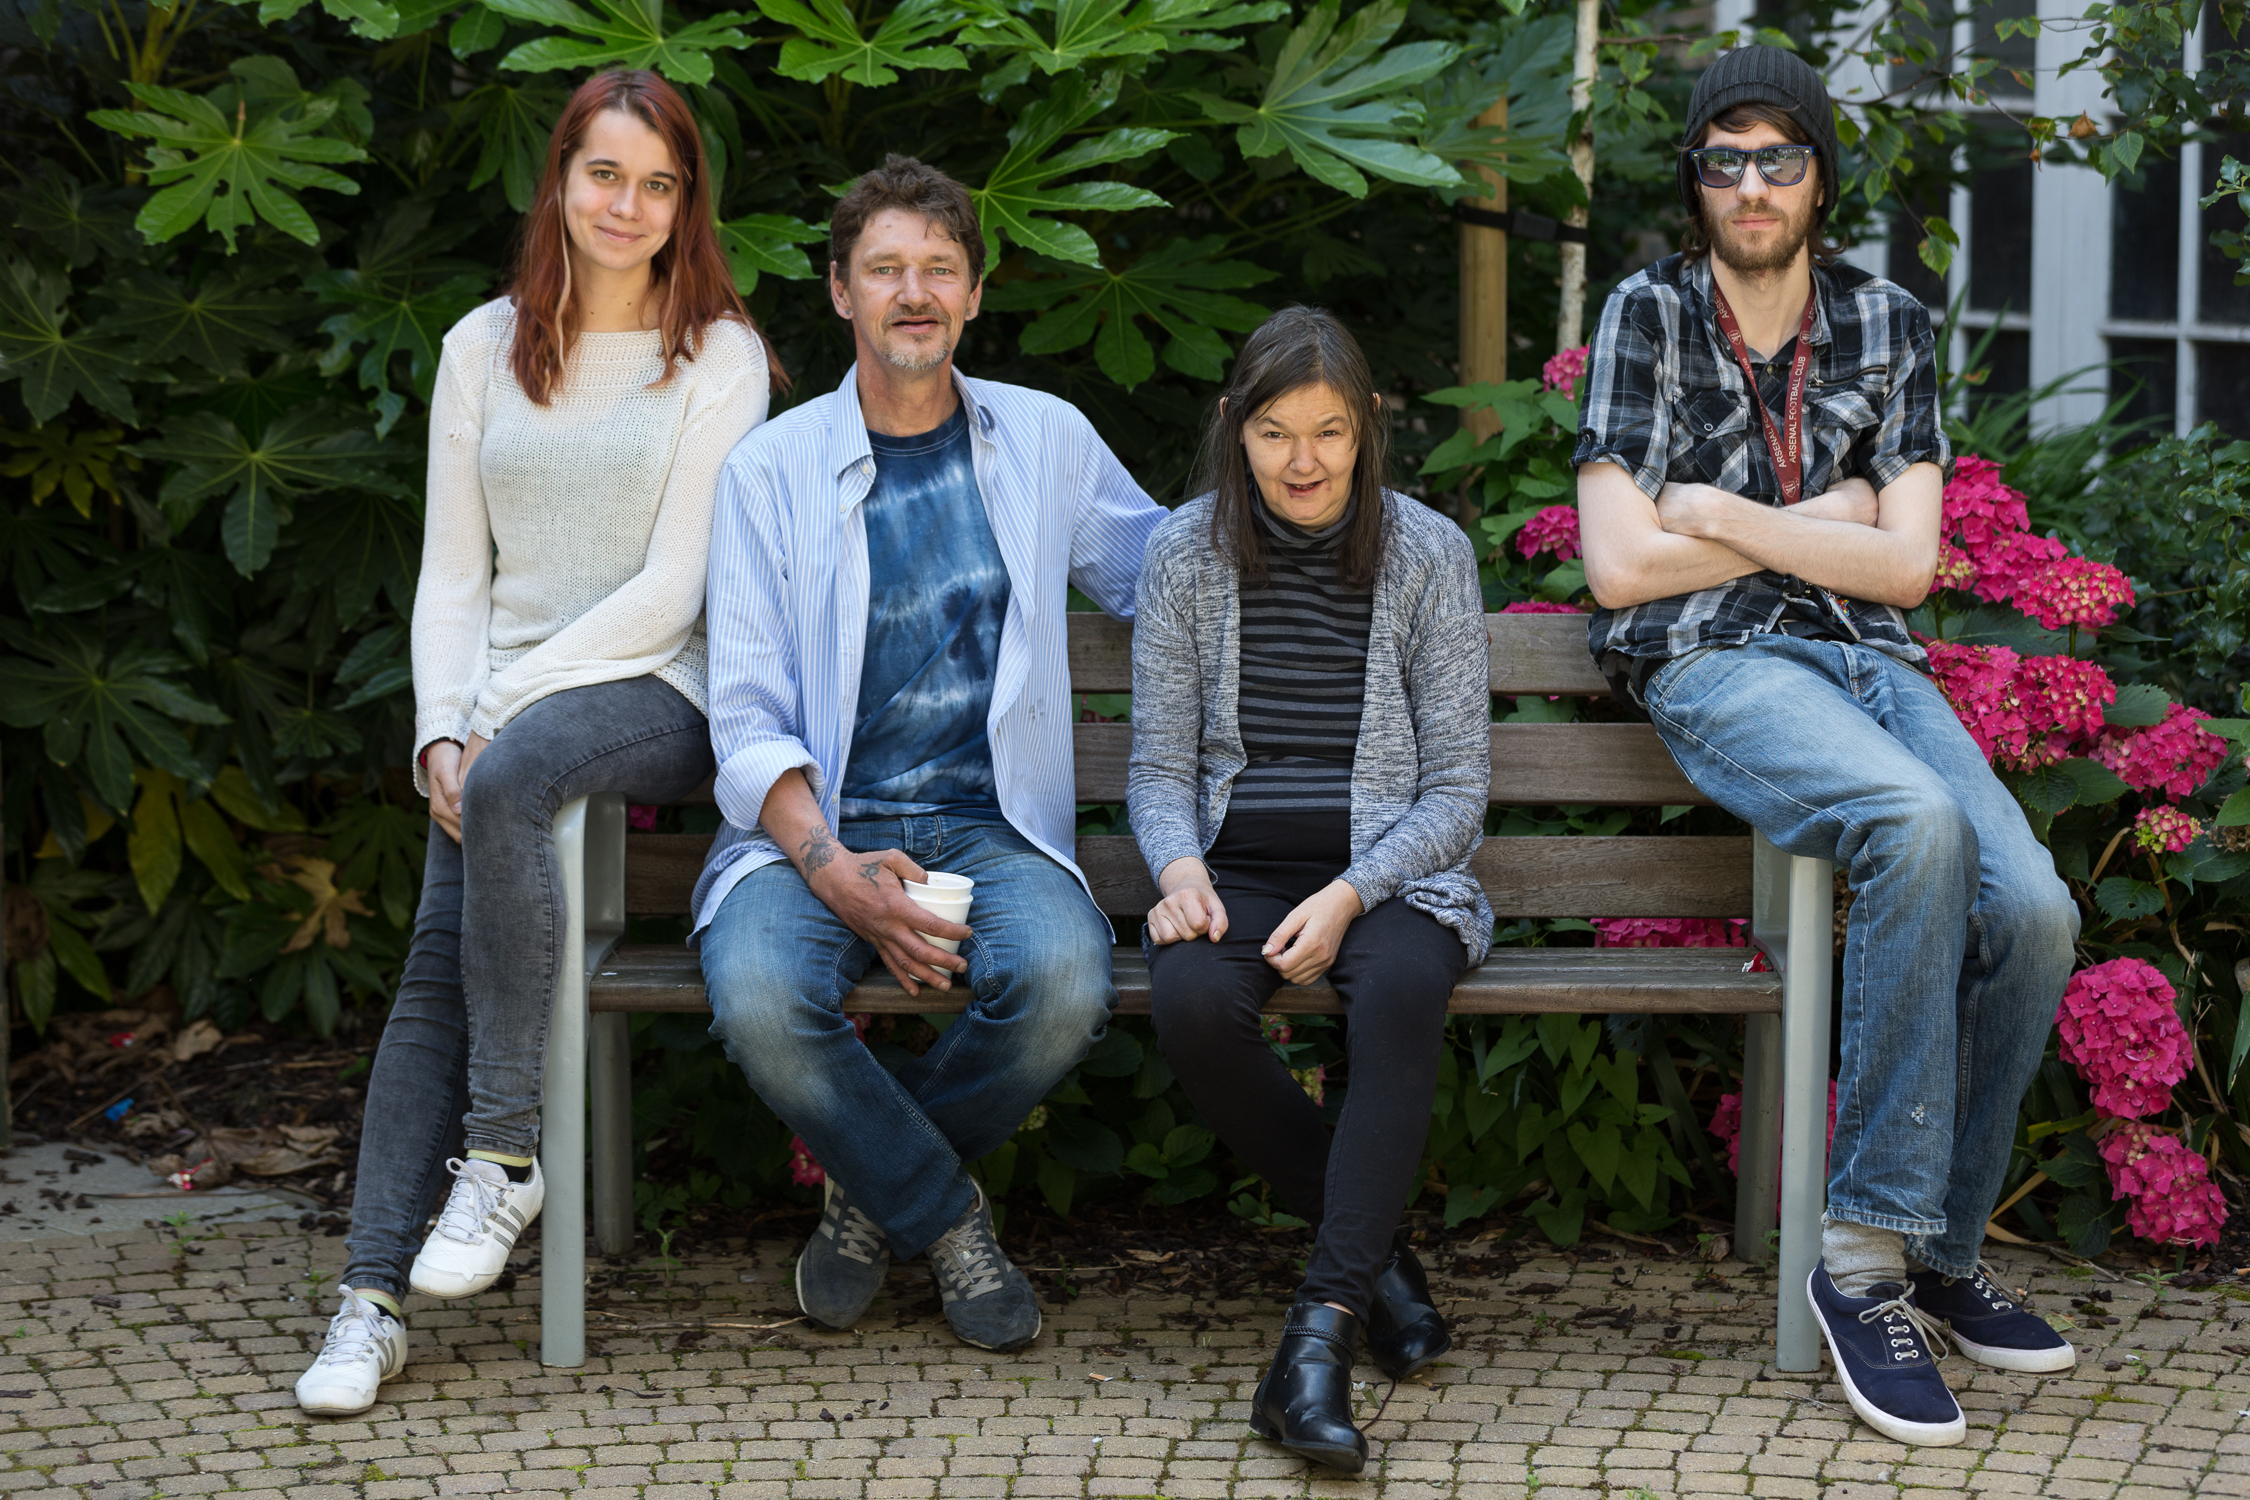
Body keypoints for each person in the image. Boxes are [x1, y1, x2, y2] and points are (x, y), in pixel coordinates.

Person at [1572, 46, 2080, 1449]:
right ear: (1694, 178)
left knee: (2032, 908)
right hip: (1714, 659)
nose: (1749, 184)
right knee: (1909, 823)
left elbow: (1908, 569)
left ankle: (1938, 1251)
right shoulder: (1645, 313)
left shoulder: (1889, 323)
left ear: (1816, 174)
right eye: (1722, 158)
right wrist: (1831, 519)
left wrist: (1723, 516)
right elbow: (1617, 570)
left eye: (1775, 156)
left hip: (1869, 657)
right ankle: (1859, 1266)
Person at [293, 69, 779, 1416]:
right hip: (506, 717)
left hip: (657, 693)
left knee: (514, 776)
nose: (627, 205)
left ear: (687, 206)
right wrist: (439, 727)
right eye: (604, 175)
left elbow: (673, 589)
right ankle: (369, 1299)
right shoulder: (479, 346)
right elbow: (453, 577)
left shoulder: (719, 357)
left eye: (657, 184)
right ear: (558, 181)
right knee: (438, 963)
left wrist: (498, 716)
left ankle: (502, 1156)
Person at [692, 155, 1167, 1354]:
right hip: (820, 822)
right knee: (758, 993)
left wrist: (1317, 498)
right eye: (887, 269)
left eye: (939, 271)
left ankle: (867, 1202)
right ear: (841, 291)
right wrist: (826, 864)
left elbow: (1165, 574)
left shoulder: (1046, 437)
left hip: (994, 822)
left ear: (973, 293)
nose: (916, 292)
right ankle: (947, 1220)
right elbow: (745, 716)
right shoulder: (767, 470)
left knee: (1064, 986)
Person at [1128, 306, 1492, 1475]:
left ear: (1366, 429)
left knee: (1394, 996)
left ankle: (1318, 1344)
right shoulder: (1186, 553)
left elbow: (1458, 792)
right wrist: (1180, 868)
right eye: (1277, 432)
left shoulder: (1429, 553)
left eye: (1329, 433)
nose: (1303, 462)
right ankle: (1379, 1264)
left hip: (1393, 875)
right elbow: (1157, 765)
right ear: (1237, 428)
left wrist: (1349, 894)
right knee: (1188, 1005)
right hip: (1233, 867)